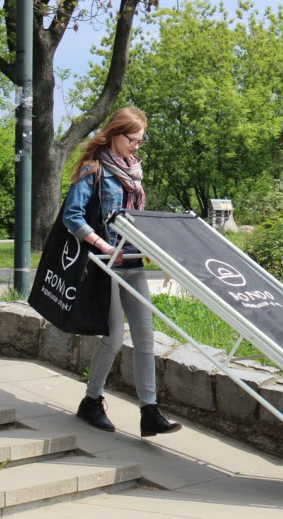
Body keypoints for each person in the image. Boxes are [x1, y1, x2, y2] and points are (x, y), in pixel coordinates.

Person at [62, 106, 181, 438]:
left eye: (140, 142)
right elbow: (73, 216)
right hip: (106, 267)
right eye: (133, 140)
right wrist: (101, 245)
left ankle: (150, 412)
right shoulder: (94, 169)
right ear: (116, 134)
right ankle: (91, 401)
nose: (136, 148)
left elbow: (137, 221)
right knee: (113, 339)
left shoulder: (134, 171)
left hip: (133, 265)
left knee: (145, 339)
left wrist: (157, 252)